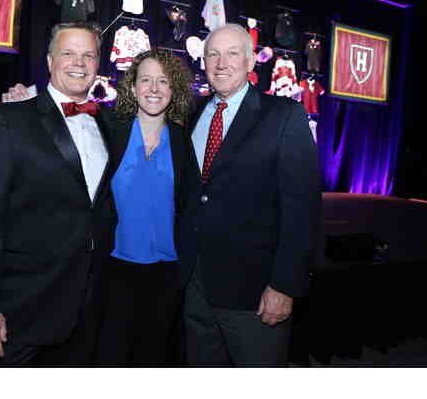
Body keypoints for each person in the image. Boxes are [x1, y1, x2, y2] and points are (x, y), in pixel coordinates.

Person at [0, 21, 117, 367]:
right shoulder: (9, 121)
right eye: (68, 53)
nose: (79, 62)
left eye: (88, 54)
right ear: (48, 61)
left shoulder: (108, 123)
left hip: (86, 309)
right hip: (20, 309)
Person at [176, 23, 321, 367]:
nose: (221, 63)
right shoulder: (191, 114)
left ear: (250, 61)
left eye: (232, 53)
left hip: (255, 293)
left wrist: (285, 285)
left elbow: (303, 210)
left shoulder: (284, 116)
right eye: (213, 54)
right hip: (193, 286)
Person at [95, 49, 196, 366]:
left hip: (166, 273)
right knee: (111, 358)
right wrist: (23, 99)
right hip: (114, 270)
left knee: (153, 358)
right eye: (146, 80)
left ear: (173, 89)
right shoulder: (111, 128)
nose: (154, 88)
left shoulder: (182, 140)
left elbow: (189, 207)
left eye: (163, 81)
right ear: (132, 86)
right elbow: (66, 115)